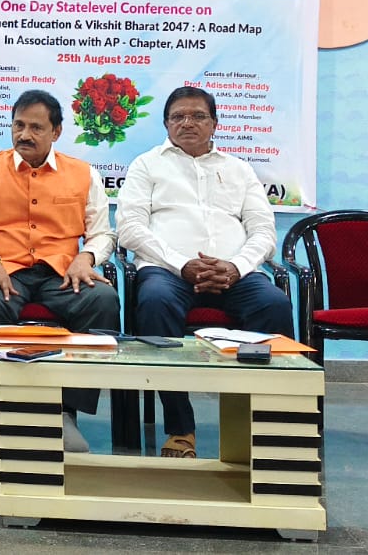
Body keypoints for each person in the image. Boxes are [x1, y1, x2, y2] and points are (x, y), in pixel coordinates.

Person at [116, 85, 293, 459]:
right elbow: (130, 228)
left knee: (275, 304)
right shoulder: (146, 165)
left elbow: (264, 231)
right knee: (154, 302)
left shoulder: (239, 169)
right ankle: (181, 429)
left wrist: (236, 266)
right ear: (166, 124)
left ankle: (263, 423)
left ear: (214, 123)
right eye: (178, 116)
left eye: (197, 116)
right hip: (168, 272)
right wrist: (182, 264)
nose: (187, 123)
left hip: (235, 274)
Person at [0, 89, 119, 449]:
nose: (24, 135)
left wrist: (87, 257)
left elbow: (102, 233)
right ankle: (12, 407)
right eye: (18, 125)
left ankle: (66, 411)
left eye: (35, 127)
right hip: (6, 272)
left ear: (56, 132)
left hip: (62, 274)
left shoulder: (83, 174)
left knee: (103, 300)